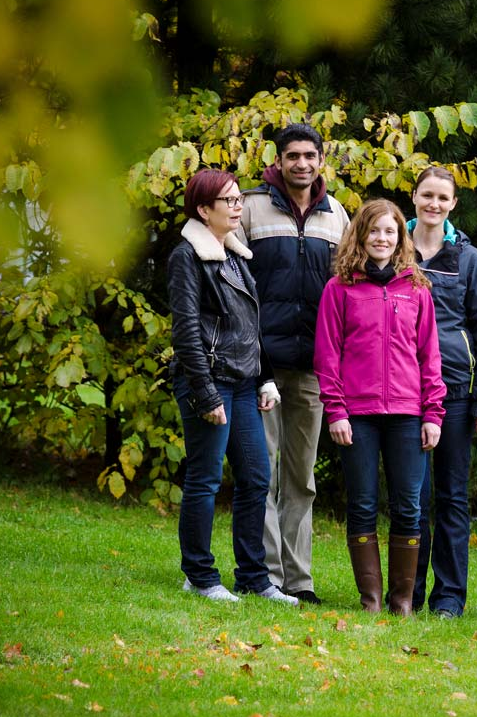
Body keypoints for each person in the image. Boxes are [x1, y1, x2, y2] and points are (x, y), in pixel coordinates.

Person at [167, 168, 298, 606]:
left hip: (244, 384)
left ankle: (254, 579)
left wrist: (266, 379)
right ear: (204, 210)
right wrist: (204, 394)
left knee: (256, 478)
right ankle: (200, 576)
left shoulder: (237, 254)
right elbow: (186, 329)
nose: (239, 206)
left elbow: (250, 324)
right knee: (204, 480)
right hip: (208, 381)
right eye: (230, 201)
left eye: (240, 198)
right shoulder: (187, 256)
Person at [314, 199, 446, 616]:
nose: (382, 239)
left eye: (390, 232)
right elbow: (327, 354)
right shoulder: (340, 288)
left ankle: (402, 601)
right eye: (375, 231)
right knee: (363, 503)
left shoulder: (417, 289)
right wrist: (335, 411)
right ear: (361, 236)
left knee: (409, 504)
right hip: (357, 414)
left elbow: (430, 356)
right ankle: (371, 600)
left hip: (409, 414)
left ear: (400, 238)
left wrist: (433, 414)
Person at [238, 123, 349, 605]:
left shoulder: (337, 215)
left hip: (311, 368)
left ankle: (298, 581)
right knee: (261, 472)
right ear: (278, 160)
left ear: (322, 161)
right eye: (292, 156)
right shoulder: (251, 206)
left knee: (301, 477)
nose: (301, 163)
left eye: (310, 155)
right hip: (259, 366)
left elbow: (347, 286)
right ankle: (266, 577)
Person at [407, 166, 477, 618]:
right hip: (402, 391)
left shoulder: (469, 260)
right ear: (413, 197)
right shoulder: (393, 249)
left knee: (451, 497)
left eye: (442, 198)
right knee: (413, 498)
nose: (434, 204)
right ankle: (408, 591)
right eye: (427, 195)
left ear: (453, 204)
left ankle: (448, 598)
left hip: (456, 394)